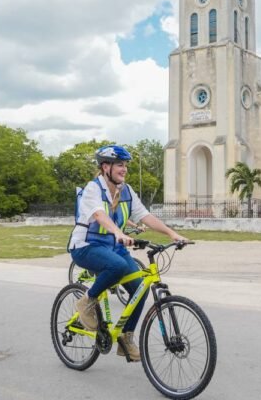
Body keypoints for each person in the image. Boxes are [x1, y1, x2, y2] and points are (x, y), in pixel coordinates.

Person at [69, 144, 186, 362]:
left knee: (140, 287)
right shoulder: (93, 189)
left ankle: (126, 337)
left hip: (114, 247)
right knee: (118, 266)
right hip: (86, 246)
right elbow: (98, 215)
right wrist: (118, 232)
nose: (124, 169)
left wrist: (172, 234)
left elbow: (145, 216)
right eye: (119, 165)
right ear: (106, 167)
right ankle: (87, 301)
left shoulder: (127, 191)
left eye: (125, 166)